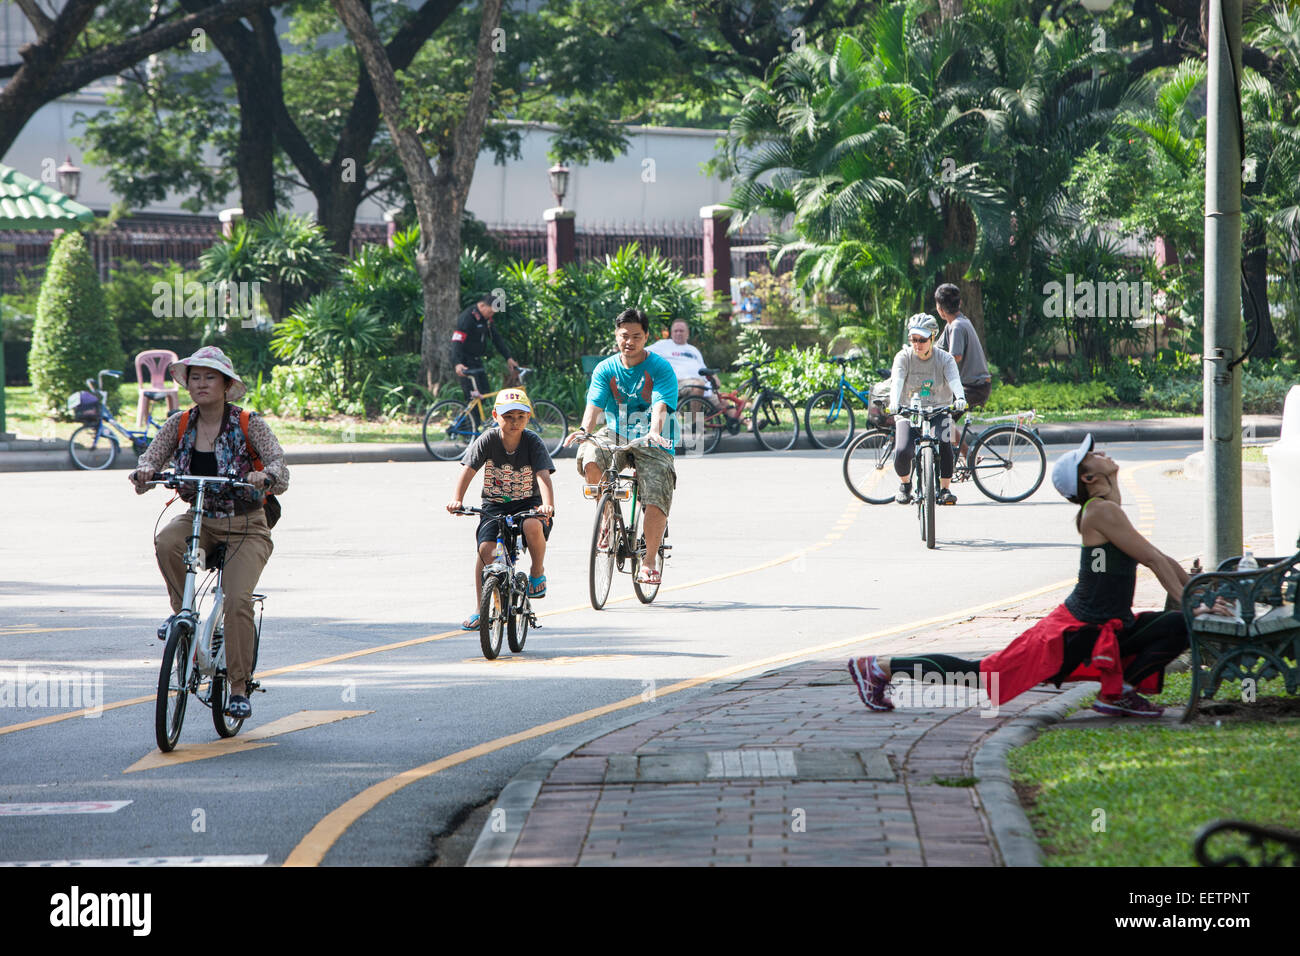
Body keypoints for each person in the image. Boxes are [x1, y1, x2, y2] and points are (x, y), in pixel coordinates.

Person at [847, 435, 1228, 718]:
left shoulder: (1106, 507)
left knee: (1176, 626)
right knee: (985, 675)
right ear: (1090, 478)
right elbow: (1154, 562)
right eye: (1091, 456)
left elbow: (1161, 558)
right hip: (1075, 632)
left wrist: (1199, 601)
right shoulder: (1099, 512)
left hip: (1100, 627)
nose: (1101, 453)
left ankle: (1119, 691)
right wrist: (1198, 606)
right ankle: (878, 666)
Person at [128, 346, 288, 721]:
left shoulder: (250, 423)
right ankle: (181, 615)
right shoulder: (180, 423)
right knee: (167, 539)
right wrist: (145, 472)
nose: (201, 384)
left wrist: (265, 475)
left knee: (236, 602)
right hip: (199, 518)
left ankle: (237, 687)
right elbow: (151, 457)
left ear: (226, 384)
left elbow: (279, 464)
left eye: (209, 377)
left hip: (246, 525)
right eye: (195, 377)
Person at [563, 307, 677, 587]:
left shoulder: (660, 367)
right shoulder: (606, 368)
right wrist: (583, 431)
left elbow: (661, 404)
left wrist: (653, 431)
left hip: (652, 437)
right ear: (616, 335)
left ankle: (649, 562)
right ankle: (607, 518)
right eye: (624, 336)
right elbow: (595, 405)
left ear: (646, 336)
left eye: (636, 336)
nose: (630, 341)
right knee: (590, 452)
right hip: (616, 432)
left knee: (657, 486)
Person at [447, 389, 556, 630]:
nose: (514, 422)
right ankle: (481, 608)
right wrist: (457, 499)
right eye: (508, 416)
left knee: (531, 525)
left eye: (520, 416)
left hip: (529, 503)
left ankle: (537, 571)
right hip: (495, 505)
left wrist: (547, 504)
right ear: (496, 415)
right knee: (485, 549)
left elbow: (543, 475)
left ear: (528, 418)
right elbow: (468, 469)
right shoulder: (488, 439)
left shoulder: (532, 441)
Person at [885, 314, 967, 506]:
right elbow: (896, 382)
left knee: (945, 442)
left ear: (932, 338)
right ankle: (905, 485)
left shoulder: (945, 358)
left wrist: (960, 397)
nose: (917, 344)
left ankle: (945, 488)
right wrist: (894, 402)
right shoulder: (903, 357)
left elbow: (954, 380)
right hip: (909, 410)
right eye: (914, 339)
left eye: (922, 340)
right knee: (903, 450)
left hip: (939, 409)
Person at [934, 283, 992, 455]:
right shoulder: (953, 324)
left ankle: (968, 455)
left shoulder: (958, 326)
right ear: (959, 303)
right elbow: (936, 350)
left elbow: (955, 357)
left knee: (942, 419)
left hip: (974, 387)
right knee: (938, 412)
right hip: (972, 384)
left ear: (940, 308)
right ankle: (957, 454)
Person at [647, 319, 738, 422]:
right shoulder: (663, 345)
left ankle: (749, 423)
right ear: (671, 333)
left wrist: (714, 377)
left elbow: (703, 368)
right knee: (698, 385)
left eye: (681, 331)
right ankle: (695, 423)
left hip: (701, 385)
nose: (678, 333)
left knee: (723, 402)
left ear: (687, 334)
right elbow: (642, 353)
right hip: (677, 383)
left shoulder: (693, 350)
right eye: (676, 331)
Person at [452, 293, 519, 407]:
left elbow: (496, 338)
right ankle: (469, 424)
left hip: (477, 360)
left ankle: (470, 424)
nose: (491, 315)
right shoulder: (467, 318)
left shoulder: (485, 319)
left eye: (493, 313)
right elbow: (456, 342)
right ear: (482, 305)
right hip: (465, 362)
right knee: (473, 399)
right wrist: (457, 363)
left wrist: (508, 357)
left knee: (484, 393)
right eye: (490, 312)